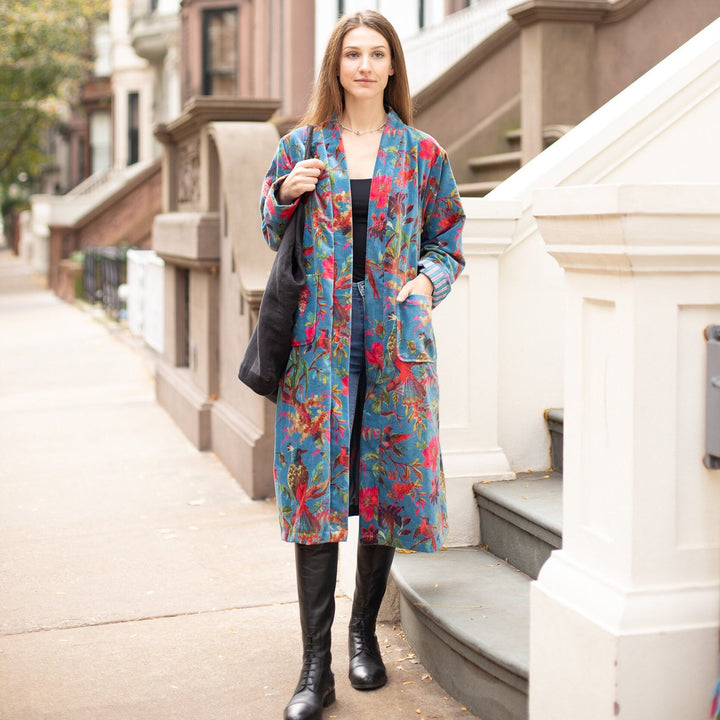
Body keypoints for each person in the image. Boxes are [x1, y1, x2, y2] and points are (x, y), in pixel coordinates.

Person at [260, 10, 465, 720]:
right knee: (316, 495)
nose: (366, 65)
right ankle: (314, 668)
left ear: (393, 67)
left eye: (379, 54)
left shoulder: (422, 153)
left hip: (393, 345)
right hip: (318, 350)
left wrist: (424, 285)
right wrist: (283, 193)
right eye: (354, 54)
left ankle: (361, 635)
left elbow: (449, 244)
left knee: (380, 486)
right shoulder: (302, 145)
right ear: (336, 66)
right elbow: (268, 222)